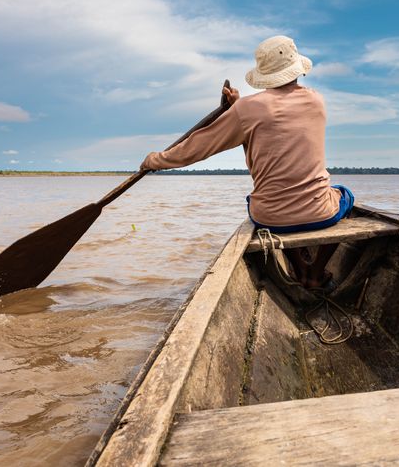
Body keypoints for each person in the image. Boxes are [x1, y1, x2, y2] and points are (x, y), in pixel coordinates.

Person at [141, 35, 354, 290]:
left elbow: (197, 147)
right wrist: (237, 108)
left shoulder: (247, 111)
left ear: (265, 75)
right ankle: (315, 274)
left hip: (270, 217)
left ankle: (299, 270)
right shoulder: (317, 100)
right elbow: (274, 119)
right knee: (346, 196)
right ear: (297, 69)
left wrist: (155, 160)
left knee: (261, 201)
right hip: (320, 212)